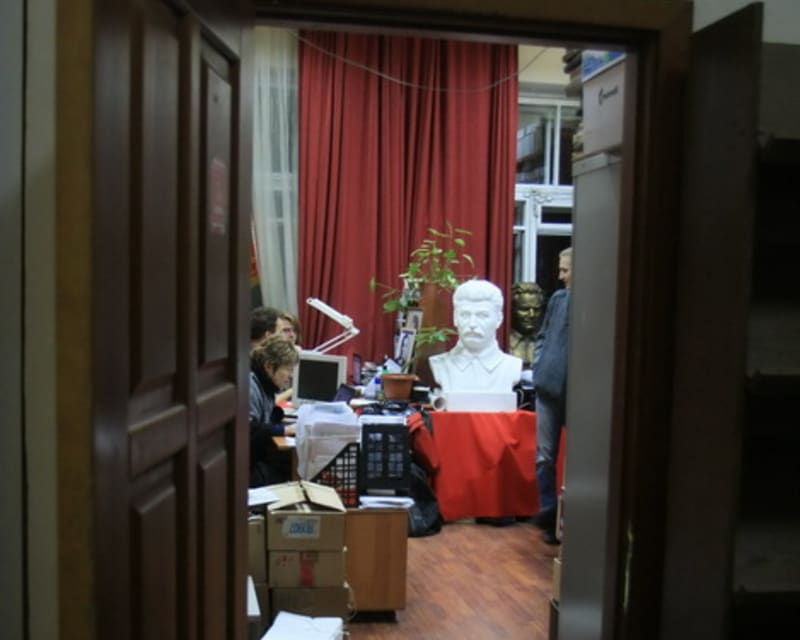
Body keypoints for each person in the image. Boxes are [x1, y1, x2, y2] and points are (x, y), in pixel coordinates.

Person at [532, 247, 572, 545]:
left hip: (579, 391)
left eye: (565, 270)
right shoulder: (557, 299)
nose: (560, 276)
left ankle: (569, 520)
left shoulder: (597, 302)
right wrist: (539, 365)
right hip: (547, 387)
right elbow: (543, 335)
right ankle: (548, 515)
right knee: (544, 457)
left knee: (579, 459)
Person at [429, 279, 522, 393]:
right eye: (465, 315)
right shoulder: (440, 364)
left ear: (499, 319)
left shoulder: (511, 366)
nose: (472, 324)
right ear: (455, 318)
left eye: (482, 316)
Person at [249, 335, 299, 487]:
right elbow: (249, 429)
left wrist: (277, 416)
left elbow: (264, 417)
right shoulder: (250, 386)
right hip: (248, 467)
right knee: (289, 475)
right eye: (288, 369)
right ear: (269, 366)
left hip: (255, 459)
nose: (290, 377)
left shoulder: (266, 385)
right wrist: (283, 429)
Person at [508, 281, 545, 369]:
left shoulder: (545, 343)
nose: (532, 315)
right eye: (524, 309)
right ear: (512, 309)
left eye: (536, 309)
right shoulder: (502, 341)